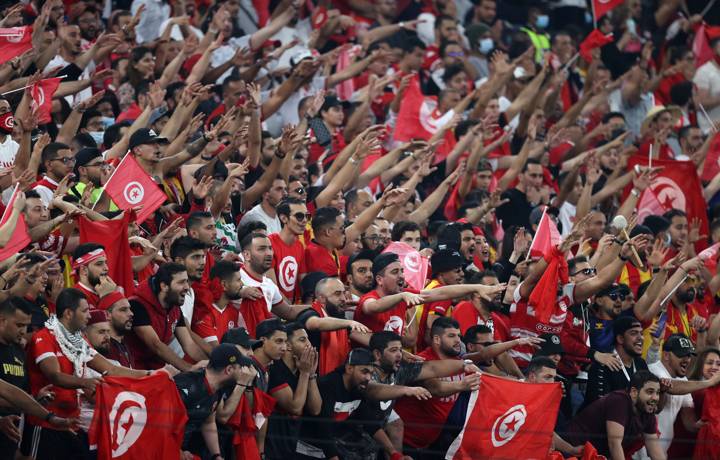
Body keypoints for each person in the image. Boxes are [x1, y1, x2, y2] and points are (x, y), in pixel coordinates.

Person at [21, 288, 148, 459]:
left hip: (73, 424)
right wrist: (84, 383)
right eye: (85, 311)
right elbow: (55, 376)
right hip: (45, 425)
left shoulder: (79, 341)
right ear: (68, 313)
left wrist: (151, 374)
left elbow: (111, 370)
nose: (89, 316)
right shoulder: (43, 337)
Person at [175, 343, 255, 459]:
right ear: (229, 369)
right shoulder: (187, 386)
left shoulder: (217, 388)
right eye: (240, 367)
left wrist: (216, 455)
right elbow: (159, 426)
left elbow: (208, 422)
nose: (242, 371)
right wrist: (177, 451)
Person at [125, 263, 207, 371]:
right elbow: (156, 345)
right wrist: (189, 368)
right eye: (181, 282)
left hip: (158, 369)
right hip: (134, 370)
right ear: (164, 286)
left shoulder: (174, 306)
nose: (187, 287)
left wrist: (211, 365)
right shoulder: (137, 305)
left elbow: (189, 345)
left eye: (186, 281)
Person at [265, 322, 321, 460]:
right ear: (288, 346)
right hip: (272, 446)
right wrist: (305, 374)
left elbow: (315, 409)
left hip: (291, 443)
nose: (309, 344)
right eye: (302, 340)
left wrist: (311, 375)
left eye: (308, 339)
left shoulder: (303, 370)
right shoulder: (275, 370)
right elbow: (295, 408)